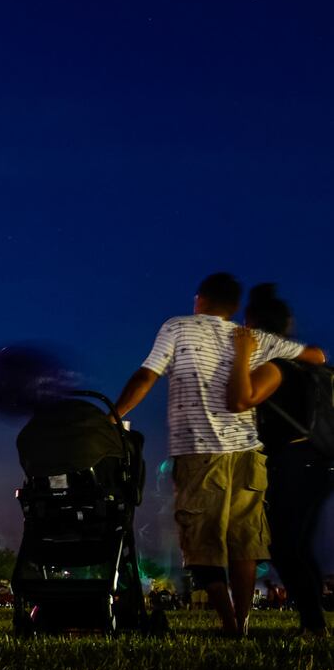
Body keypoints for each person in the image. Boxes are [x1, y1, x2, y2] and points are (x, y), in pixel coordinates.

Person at [113, 272, 323, 636]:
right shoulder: (250, 338)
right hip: (247, 453)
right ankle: (241, 621)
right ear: (234, 308)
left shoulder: (178, 327)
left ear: (200, 299)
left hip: (199, 452)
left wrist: (114, 416)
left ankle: (230, 625)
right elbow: (316, 355)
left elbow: (147, 374)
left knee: (202, 542)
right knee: (245, 539)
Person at [227, 283, 333, 637]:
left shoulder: (277, 366)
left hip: (296, 459)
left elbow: (243, 398)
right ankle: (313, 621)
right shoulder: (304, 365)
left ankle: (313, 624)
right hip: (318, 461)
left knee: (283, 544)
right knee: (297, 543)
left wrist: (241, 354)